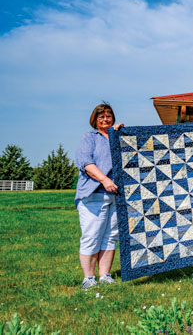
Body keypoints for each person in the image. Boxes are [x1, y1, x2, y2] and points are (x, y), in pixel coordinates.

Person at [74, 103, 124, 290]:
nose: (105, 119)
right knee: (92, 235)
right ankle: (88, 278)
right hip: (93, 194)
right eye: (101, 117)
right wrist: (104, 180)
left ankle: (105, 275)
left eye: (108, 116)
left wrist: (122, 134)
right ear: (94, 120)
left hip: (115, 195)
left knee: (111, 236)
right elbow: (86, 163)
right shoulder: (89, 138)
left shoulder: (116, 136)